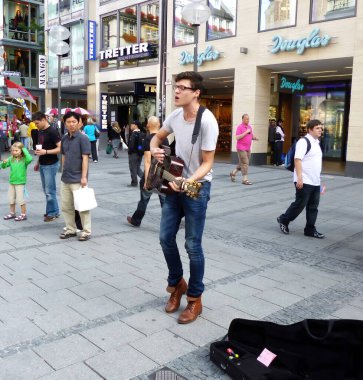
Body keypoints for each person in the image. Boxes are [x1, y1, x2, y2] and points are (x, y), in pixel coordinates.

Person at [150, 71, 219, 324]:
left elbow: (208, 162)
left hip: (196, 188)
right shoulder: (175, 115)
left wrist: (188, 181)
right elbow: (157, 137)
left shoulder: (207, 121)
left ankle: (194, 299)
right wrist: (155, 151)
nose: (176, 91)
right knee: (165, 237)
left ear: (196, 92)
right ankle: (177, 284)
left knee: (192, 245)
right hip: (173, 184)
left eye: (182, 87)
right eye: (175, 87)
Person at [277, 119, 325, 239]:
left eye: (321, 128)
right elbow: (297, 160)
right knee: (300, 204)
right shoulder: (304, 142)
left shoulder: (317, 142)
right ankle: (284, 219)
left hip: (315, 181)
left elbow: (315, 164)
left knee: (313, 207)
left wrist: (319, 182)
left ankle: (310, 229)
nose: (320, 130)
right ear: (310, 129)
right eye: (317, 128)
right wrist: (299, 178)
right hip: (304, 179)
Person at [127, 116, 168, 227]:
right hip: (163, 174)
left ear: (148, 126)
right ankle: (169, 223)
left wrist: (146, 180)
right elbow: (167, 159)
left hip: (151, 174)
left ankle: (136, 220)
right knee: (164, 201)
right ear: (159, 125)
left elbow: (147, 161)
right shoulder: (165, 138)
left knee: (144, 199)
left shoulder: (148, 139)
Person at [59, 112, 92, 241]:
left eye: (74, 121)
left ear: (79, 123)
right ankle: (71, 229)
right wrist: (63, 170)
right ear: (65, 123)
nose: (71, 124)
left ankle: (86, 231)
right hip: (65, 178)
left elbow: (85, 158)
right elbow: (63, 155)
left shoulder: (83, 138)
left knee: (82, 206)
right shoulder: (64, 138)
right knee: (66, 206)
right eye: (69, 122)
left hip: (78, 178)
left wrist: (84, 177)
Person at [32, 111, 61, 222]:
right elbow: (41, 149)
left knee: (49, 190)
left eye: (37, 123)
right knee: (46, 190)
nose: (36, 125)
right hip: (43, 163)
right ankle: (54, 211)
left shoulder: (52, 131)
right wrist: (38, 162)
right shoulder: (40, 131)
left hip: (51, 164)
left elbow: (60, 148)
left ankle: (52, 213)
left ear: (44, 120)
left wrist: (46, 152)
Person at [2, 142, 32, 221]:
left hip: (20, 183)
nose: (14, 152)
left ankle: (23, 214)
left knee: (20, 199)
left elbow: (30, 159)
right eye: (13, 150)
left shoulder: (24, 159)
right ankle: (12, 213)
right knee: (11, 198)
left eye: (16, 150)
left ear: (21, 150)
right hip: (12, 182)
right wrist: (3, 163)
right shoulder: (11, 159)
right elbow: (3, 166)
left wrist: (24, 149)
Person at [229, 114, 258, 185]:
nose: (247, 120)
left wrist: (254, 138)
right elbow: (237, 137)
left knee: (242, 163)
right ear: (243, 119)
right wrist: (245, 132)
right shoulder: (240, 127)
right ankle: (245, 179)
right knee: (245, 163)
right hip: (241, 148)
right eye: (246, 119)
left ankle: (233, 173)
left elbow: (250, 136)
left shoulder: (249, 127)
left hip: (248, 148)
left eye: (248, 119)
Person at [127, 120, 144, 187]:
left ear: (136, 125)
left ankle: (134, 182)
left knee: (133, 168)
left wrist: (129, 152)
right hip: (140, 153)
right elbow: (140, 145)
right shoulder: (141, 133)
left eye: (132, 124)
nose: (131, 125)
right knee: (137, 168)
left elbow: (131, 145)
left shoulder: (134, 134)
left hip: (133, 154)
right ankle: (145, 179)